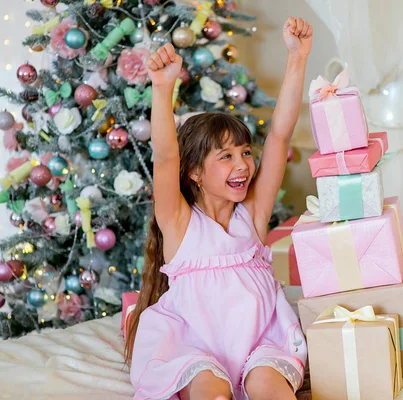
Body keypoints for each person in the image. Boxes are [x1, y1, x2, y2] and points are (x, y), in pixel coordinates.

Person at [124, 16, 313, 400]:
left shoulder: (253, 216)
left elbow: (279, 135)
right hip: (195, 349)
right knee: (213, 392)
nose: (243, 164)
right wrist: (162, 88)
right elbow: (164, 156)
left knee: (270, 390)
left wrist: (298, 58)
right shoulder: (179, 223)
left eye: (244, 152)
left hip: (260, 345)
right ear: (194, 172)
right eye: (225, 157)